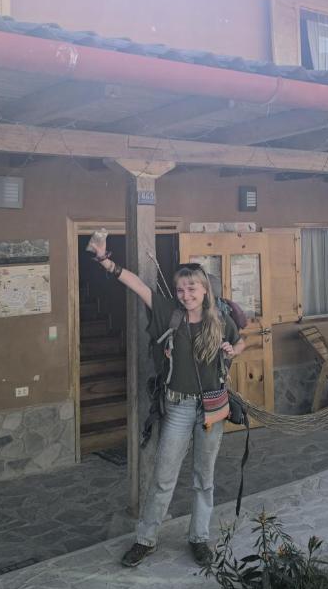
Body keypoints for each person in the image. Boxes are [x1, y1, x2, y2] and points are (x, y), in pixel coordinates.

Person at [88, 236, 245, 568]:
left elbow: (240, 341)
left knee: (204, 479)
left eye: (192, 289)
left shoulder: (219, 319)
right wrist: (105, 260)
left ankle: (199, 538)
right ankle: (146, 539)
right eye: (180, 290)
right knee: (163, 477)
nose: (186, 295)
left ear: (204, 290)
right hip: (179, 406)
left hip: (212, 408)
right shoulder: (168, 313)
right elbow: (136, 284)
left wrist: (234, 349)